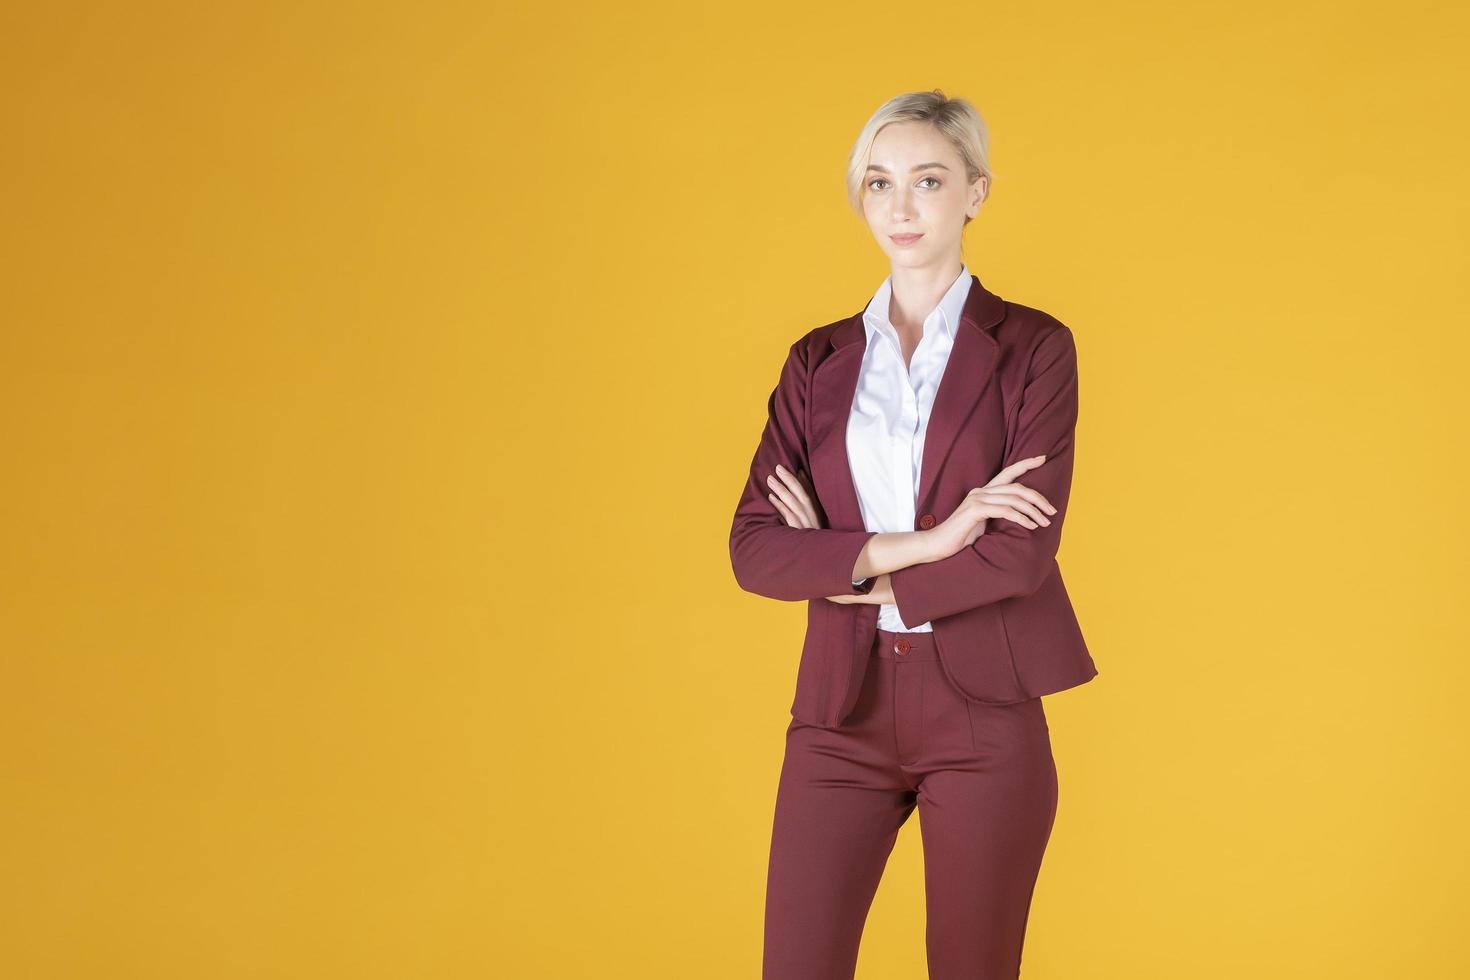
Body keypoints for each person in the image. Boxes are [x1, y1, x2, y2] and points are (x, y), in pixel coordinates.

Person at [729, 89, 1099, 979]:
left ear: (974, 192)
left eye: (927, 181)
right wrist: (931, 544)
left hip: (983, 710)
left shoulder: (1034, 349)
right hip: (839, 712)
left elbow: (1020, 550)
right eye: (879, 183)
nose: (900, 207)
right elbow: (753, 547)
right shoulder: (818, 361)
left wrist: (839, 558)